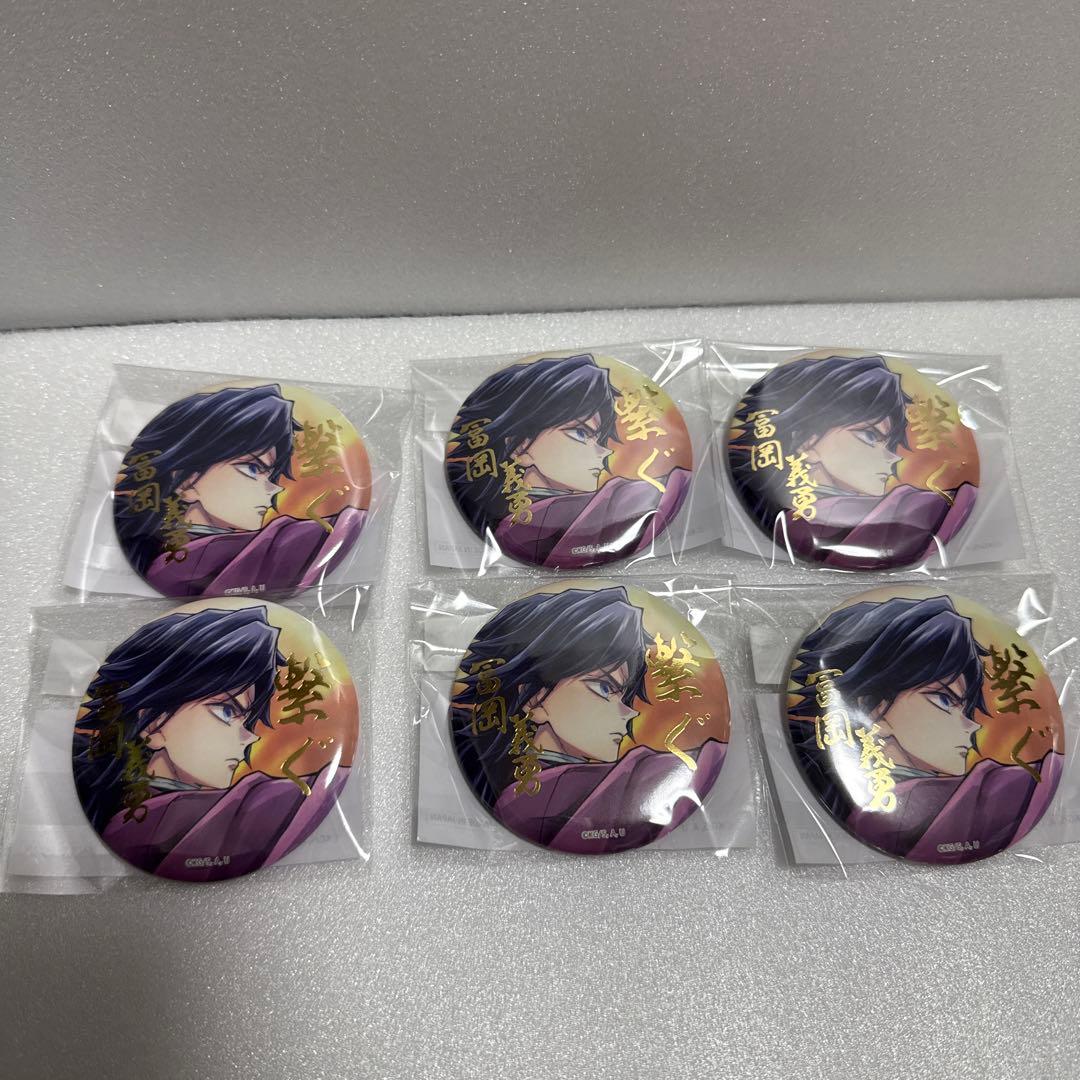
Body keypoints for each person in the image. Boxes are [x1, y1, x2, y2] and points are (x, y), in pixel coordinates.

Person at [73, 605, 349, 880]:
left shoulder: (164, 810)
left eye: (247, 721)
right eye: (226, 711)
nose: (251, 736)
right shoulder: (150, 822)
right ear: (153, 724)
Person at [451, 586, 725, 853]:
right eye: (604, 688)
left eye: (625, 697)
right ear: (534, 699)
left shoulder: (630, 778)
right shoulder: (532, 799)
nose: (630, 712)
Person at [788, 595, 1062, 861]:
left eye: (966, 708)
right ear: (872, 707)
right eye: (944, 699)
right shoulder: (981, 796)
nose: (973, 724)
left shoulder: (983, 794)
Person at [114, 383, 365, 596]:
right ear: (186, 482)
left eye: (271, 474)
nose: (275, 489)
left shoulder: (261, 545)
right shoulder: (182, 566)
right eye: (253, 468)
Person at [728, 355, 976, 570]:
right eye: (870, 436)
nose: (895, 457)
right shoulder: (922, 511)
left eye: (890, 443)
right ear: (806, 442)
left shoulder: (920, 510)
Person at [446, 354, 690, 567]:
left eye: (599, 438)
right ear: (520, 447)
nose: (605, 452)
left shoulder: (619, 503)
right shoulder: (521, 529)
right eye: (581, 433)